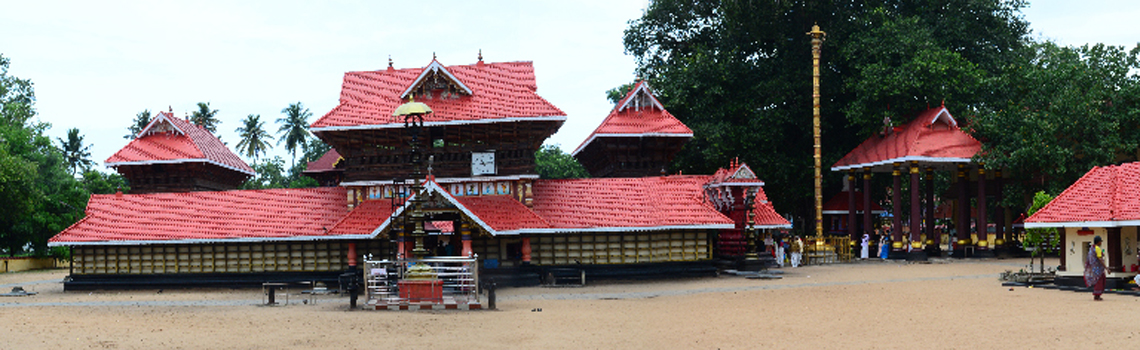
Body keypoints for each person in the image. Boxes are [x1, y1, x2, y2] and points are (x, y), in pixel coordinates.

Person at [1084, 236, 1108, 301]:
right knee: (1100, 281)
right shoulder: (1097, 248)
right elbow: (1100, 258)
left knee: (1097, 281)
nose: (1101, 243)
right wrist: (1106, 268)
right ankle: (1097, 295)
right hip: (1098, 268)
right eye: (1100, 241)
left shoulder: (1092, 248)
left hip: (1094, 268)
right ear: (1098, 242)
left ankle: (1097, 295)